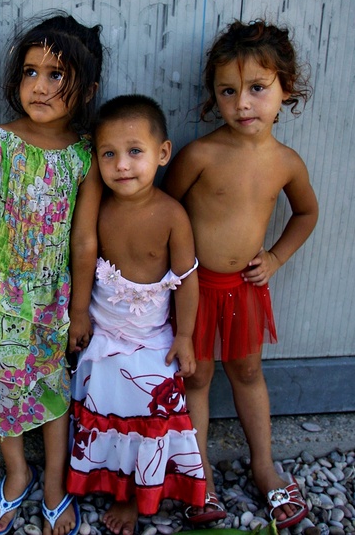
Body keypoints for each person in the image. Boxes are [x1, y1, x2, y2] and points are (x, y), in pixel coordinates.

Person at [0, 12, 105, 535]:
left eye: (57, 75)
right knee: (1, 386)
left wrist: (79, 308)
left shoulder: (84, 158)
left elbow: (84, 238)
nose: (40, 85)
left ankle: (56, 480)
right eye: (31, 71)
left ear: (87, 88)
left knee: (53, 388)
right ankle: (17, 472)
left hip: (52, 299)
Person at [162, 19, 319, 530]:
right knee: (199, 375)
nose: (243, 104)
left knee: (248, 370)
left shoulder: (286, 163)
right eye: (228, 92)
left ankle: (264, 466)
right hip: (195, 290)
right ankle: (199, 471)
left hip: (244, 290)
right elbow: (166, 210)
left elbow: (306, 214)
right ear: (214, 97)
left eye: (257, 88)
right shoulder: (200, 155)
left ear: (285, 90)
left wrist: (275, 257)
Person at [67, 95, 206, 535]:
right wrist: (78, 316)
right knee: (103, 411)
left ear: (162, 154)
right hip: (104, 337)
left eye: (134, 152)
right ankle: (102, 481)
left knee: (145, 421)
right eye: (109, 154)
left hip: (151, 341)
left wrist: (185, 337)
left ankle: (132, 498)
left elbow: (187, 279)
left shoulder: (172, 215)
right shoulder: (98, 208)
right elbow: (83, 261)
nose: (122, 165)